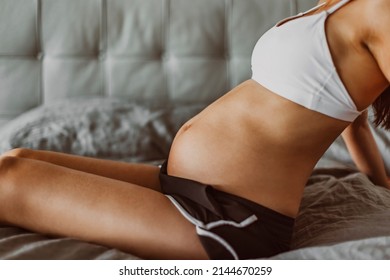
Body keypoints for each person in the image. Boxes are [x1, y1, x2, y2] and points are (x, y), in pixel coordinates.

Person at [0, 0, 389, 260]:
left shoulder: (380, 11)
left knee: (9, 179)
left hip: (229, 219)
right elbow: (351, 121)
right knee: (19, 158)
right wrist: (381, 186)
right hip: (181, 184)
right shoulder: (336, 4)